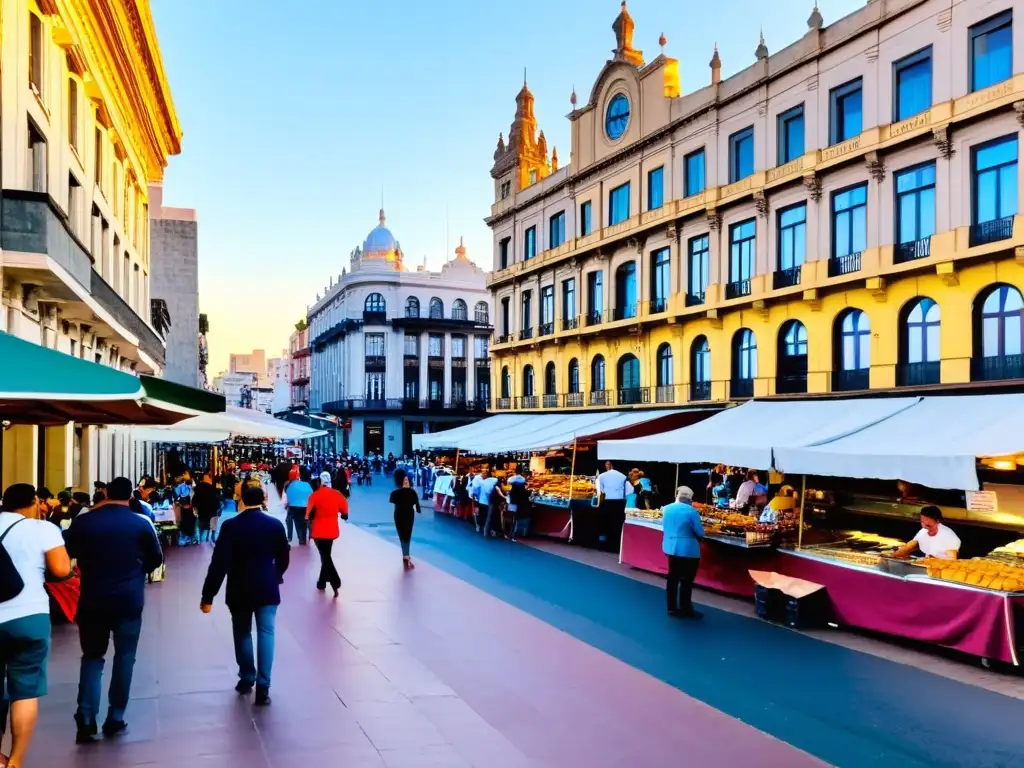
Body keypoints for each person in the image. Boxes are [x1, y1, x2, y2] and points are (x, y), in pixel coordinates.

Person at [64, 477, 164, 743]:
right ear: (131, 496)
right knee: (125, 657)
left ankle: (85, 718)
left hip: (92, 597)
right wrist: (136, 571)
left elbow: (68, 551)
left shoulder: (84, 522)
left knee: (92, 657)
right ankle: (115, 716)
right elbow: (156, 559)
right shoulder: (140, 523)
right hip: (128, 600)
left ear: (105, 492)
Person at [0, 484, 72, 768]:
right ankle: (15, 760)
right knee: (25, 691)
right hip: (29, 616)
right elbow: (62, 569)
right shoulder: (43, 529)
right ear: (34, 502)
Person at [200, 485, 290, 707]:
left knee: (242, 632)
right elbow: (284, 557)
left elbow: (219, 563)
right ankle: (263, 686)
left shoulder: (231, 526)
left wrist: (208, 595)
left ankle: (247, 677)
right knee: (266, 632)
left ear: (241, 500)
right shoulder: (274, 525)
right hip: (267, 587)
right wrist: (276, 574)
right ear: (264, 500)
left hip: (239, 588)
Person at [662, 486, 705, 619]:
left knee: (672, 578)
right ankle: (686, 608)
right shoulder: (692, 512)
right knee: (687, 580)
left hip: (670, 546)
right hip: (688, 549)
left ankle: (671, 607)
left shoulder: (667, 508)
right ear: (690, 499)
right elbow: (700, 532)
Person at [306, 472, 348, 594]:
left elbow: (308, 513)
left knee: (325, 556)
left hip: (318, 531)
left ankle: (334, 581)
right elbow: (344, 510)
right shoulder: (337, 494)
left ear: (319, 481)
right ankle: (322, 582)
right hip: (331, 530)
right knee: (326, 555)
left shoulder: (314, 495)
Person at [890, 506, 961, 561]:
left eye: (928, 524)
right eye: (922, 522)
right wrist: (895, 554)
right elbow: (913, 544)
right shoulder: (923, 530)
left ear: (937, 521)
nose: (924, 526)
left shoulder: (948, 536)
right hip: (927, 564)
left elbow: (951, 560)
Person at [390, 469, 421, 569]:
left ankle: (406, 555)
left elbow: (416, 507)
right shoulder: (409, 493)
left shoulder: (396, 493)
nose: (406, 481)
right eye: (404, 480)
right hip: (404, 515)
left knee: (405, 536)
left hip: (403, 515)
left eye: (407, 480)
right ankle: (406, 555)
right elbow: (416, 507)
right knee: (405, 536)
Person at [597, 460, 630, 550]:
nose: (606, 465)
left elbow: (600, 491)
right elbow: (629, 491)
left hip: (607, 501)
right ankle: (616, 544)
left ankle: (603, 544)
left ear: (611, 465)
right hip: (619, 502)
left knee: (605, 523)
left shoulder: (602, 476)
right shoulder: (623, 476)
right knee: (617, 523)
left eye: (607, 464)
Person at [283, 468, 313, 546]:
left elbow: (288, 497)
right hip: (306, 507)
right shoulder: (305, 484)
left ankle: (290, 537)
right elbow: (311, 494)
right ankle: (310, 534)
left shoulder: (287, 485)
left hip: (293, 507)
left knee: (291, 519)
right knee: (307, 519)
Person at [192, 474, 220, 544]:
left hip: (202, 510)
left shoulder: (197, 489)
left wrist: (195, 509)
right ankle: (212, 537)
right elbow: (216, 497)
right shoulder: (210, 487)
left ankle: (202, 540)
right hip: (213, 508)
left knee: (202, 525)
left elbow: (194, 501)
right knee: (213, 521)